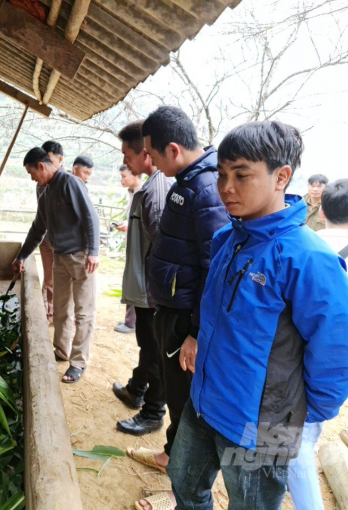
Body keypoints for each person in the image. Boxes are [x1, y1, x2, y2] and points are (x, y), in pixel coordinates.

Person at [161, 121, 348, 510]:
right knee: (184, 487)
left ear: (281, 177)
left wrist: (294, 417)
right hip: (205, 403)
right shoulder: (228, 239)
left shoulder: (308, 259)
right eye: (221, 174)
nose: (226, 187)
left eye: (242, 175)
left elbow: (338, 357)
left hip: (264, 425)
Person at [125, 107, 228, 463]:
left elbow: (214, 267)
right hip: (172, 306)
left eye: (152, 155)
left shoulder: (205, 188)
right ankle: (172, 455)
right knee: (174, 390)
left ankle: (181, 479)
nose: (150, 163)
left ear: (172, 149)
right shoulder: (188, 182)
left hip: (185, 315)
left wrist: (196, 332)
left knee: (185, 398)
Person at [288, 178, 348, 510]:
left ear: (322, 210)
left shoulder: (299, 245)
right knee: (302, 440)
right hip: (347, 372)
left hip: (294, 366)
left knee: (297, 443)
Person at [13, 148, 100, 383]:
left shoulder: (70, 183)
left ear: (42, 166)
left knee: (83, 312)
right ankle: (61, 350)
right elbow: (38, 228)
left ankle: (78, 362)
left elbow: (90, 216)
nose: (33, 179)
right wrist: (21, 256)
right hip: (60, 257)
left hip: (81, 257)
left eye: (33, 174)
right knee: (61, 309)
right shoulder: (46, 191)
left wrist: (93, 251)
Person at [112, 121, 173, 436]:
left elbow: (163, 247)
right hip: (146, 288)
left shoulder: (156, 189)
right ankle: (136, 389)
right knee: (147, 346)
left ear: (145, 153)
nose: (126, 162)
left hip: (153, 292)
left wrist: (156, 293)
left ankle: (152, 413)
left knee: (154, 351)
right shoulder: (149, 186)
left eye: (127, 155)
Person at [38, 140, 65, 325]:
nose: (44, 164)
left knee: (60, 281)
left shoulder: (67, 182)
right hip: (45, 238)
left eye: (48, 159)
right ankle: (47, 314)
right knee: (48, 279)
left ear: (59, 159)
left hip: (62, 241)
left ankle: (59, 316)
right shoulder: (41, 181)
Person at [115, 165, 143, 335]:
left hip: (138, 247)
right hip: (130, 243)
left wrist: (129, 225)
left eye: (124, 176)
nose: (122, 179)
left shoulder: (143, 193)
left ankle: (131, 322)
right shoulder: (131, 194)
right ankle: (129, 319)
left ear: (135, 175)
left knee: (134, 281)